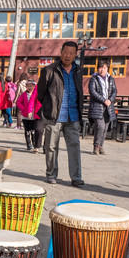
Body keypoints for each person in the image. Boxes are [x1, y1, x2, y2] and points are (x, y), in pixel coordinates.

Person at [36, 41, 85, 187]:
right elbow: (41, 93)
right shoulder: (49, 70)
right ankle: (51, 174)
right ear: (61, 52)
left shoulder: (78, 71)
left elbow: (79, 92)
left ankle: (76, 177)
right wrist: (48, 109)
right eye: (65, 52)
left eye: (71, 53)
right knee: (51, 147)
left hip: (73, 115)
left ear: (75, 54)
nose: (68, 55)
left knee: (74, 147)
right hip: (54, 116)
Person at [88, 60, 117, 155]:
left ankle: (101, 146)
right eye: (100, 68)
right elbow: (92, 92)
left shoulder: (111, 79)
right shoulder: (94, 79)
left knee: (105, 128)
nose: (102, 70)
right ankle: (96, 146)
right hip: (97, 106)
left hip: (108, 107)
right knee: (100, 126)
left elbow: (114, 91)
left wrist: (110, 100)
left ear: (107, 68)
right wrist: (103, 100)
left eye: (104, 68)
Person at [16, 79, 42, 153]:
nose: (30, 87)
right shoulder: (24, 94)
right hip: (25, 116)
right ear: (26, 87)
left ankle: (34, 144)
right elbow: (18, 102)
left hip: (34, 116)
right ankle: (28, 144)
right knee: (27, 131)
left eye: (31, 86)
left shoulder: (36, 94)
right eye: (28, 86)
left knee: (33, 131)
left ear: (34, 86)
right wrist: (23, 109)